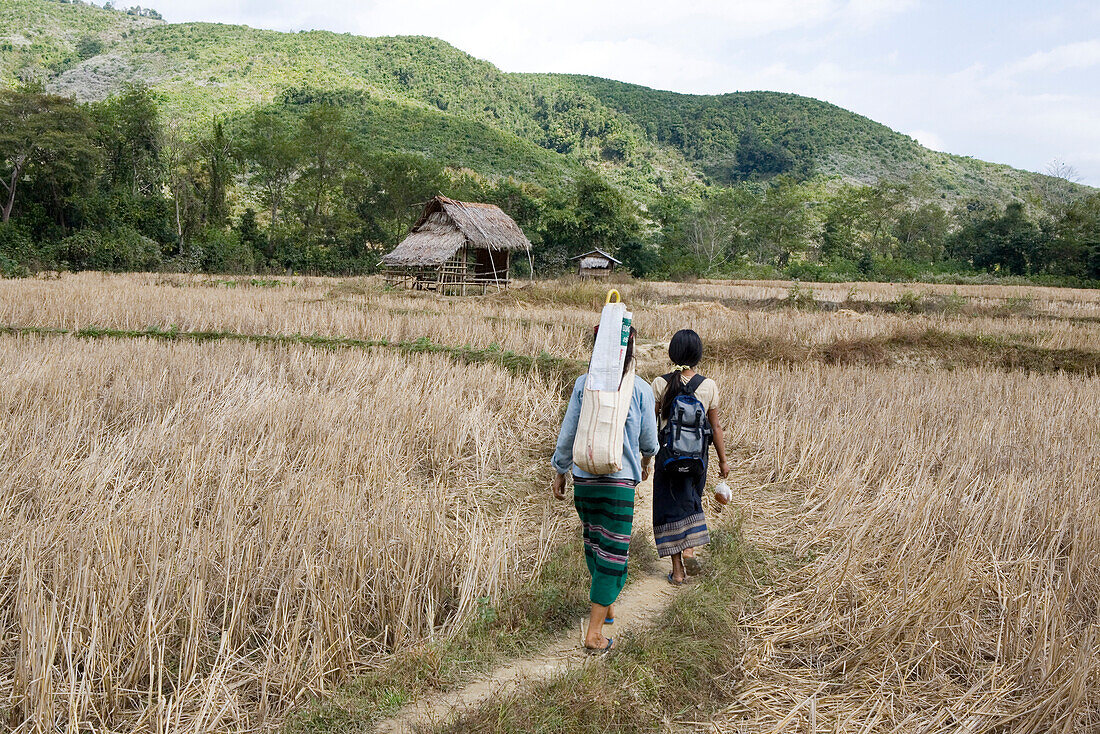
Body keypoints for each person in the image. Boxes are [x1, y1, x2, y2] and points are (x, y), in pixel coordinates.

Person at [551, 327, 658, 653]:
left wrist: (560, 469)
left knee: (595, 544)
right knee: (613, 552)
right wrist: (647, 458)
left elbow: (569, 431)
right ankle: (594, 634)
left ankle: (607, 602)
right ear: (630, 350)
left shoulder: (585, 385)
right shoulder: (639, 388)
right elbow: (649, 439)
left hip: (584, 481)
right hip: (618, 484)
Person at [651, 329, 729, 585]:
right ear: (698, 355)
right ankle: (690, 549)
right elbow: (715, 427)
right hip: (697, 459)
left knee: (668, 508)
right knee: (691, 501)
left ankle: (678, 571)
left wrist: (645, 458)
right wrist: (723, 460)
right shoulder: (708, 386)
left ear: (672, 353)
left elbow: (651, 426)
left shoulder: (660, 383)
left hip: (667, 457)